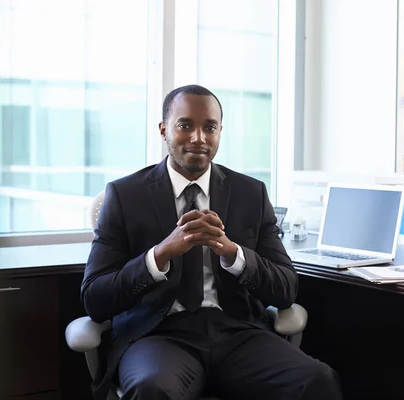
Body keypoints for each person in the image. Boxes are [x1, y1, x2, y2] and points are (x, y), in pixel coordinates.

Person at [81, 84, 344, 400]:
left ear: (220, 131)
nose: (198, 138)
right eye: (185, 125)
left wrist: (233, 253)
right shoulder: (125, 196)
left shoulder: (251, 193)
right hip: (158, 335)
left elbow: (286, 288)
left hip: (237, 332)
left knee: (317, 379)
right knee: (152, 390)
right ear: (164, 130)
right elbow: (95, 298)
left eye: (210, 127)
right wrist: (159, 255)